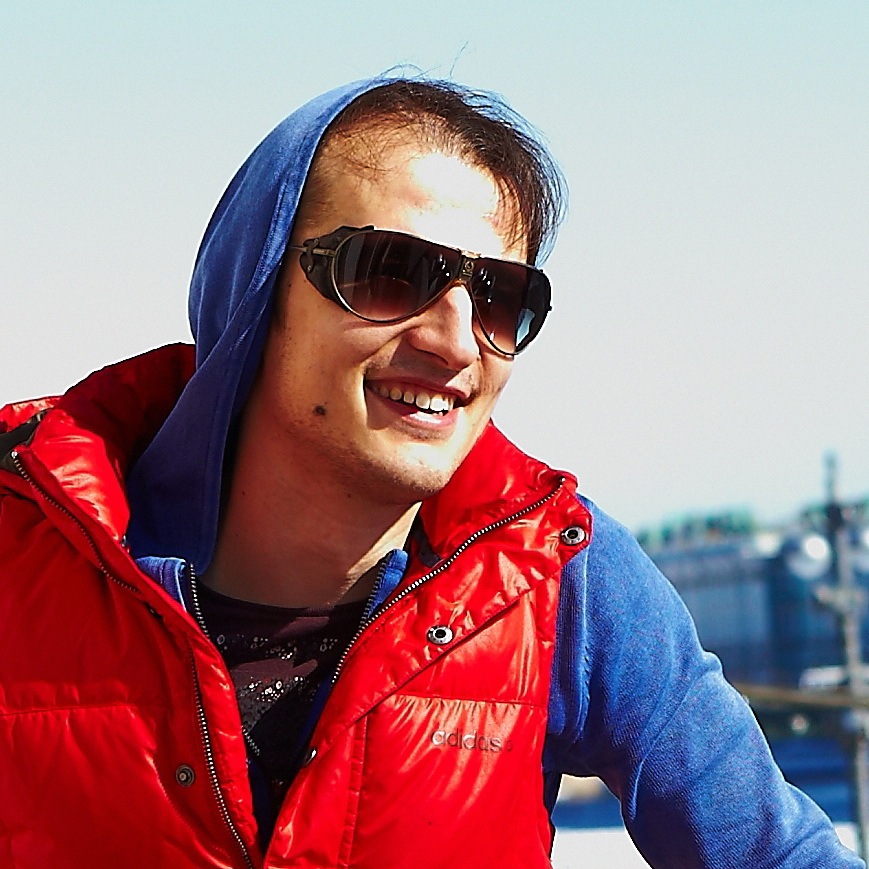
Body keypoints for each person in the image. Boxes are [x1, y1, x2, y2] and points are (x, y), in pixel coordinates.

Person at [0, 74, 860, 869]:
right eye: (387, 273)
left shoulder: (557, 573)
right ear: (254, 292)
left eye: (498, 298)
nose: (453, 342)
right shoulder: (23, 548)